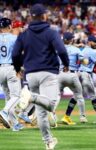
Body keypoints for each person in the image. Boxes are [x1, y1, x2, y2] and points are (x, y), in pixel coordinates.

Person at [12, 3, 69, 150]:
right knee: (50, 104)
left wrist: (18, 68)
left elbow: (15, 54)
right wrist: (66, 64)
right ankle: (31, 97)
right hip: (48, 72)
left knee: (41, 112)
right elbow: (61, 50)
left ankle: (48, 142)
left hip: (30, 75)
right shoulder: (51, 32)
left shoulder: (24, 34)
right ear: (44, 15)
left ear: (31, 16)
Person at [61, 35, 96, 124]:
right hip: (85, 74)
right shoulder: (91, 51)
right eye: (94, 42)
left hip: (78, 73)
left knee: (76, 96)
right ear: (89, 42)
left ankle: (66, 116)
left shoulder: (84, 50)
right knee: (94, 96)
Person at [0, 17, 24, 131]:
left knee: (9, 97)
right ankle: (4, 112)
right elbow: (18, 55)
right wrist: (19, 68)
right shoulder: (15, 38)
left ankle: (15, 124)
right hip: (11, 68)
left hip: (0, 69)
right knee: (16, 96)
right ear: (10, 26)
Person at [60, 32, 88, 125]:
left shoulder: (58, 48)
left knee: (55, 97)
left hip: (59, 74)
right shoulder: (75, 49)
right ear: (71, 40)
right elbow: (84, 62)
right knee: (79, 96)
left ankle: (52, 115)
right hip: (72, 74)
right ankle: (82, 116)